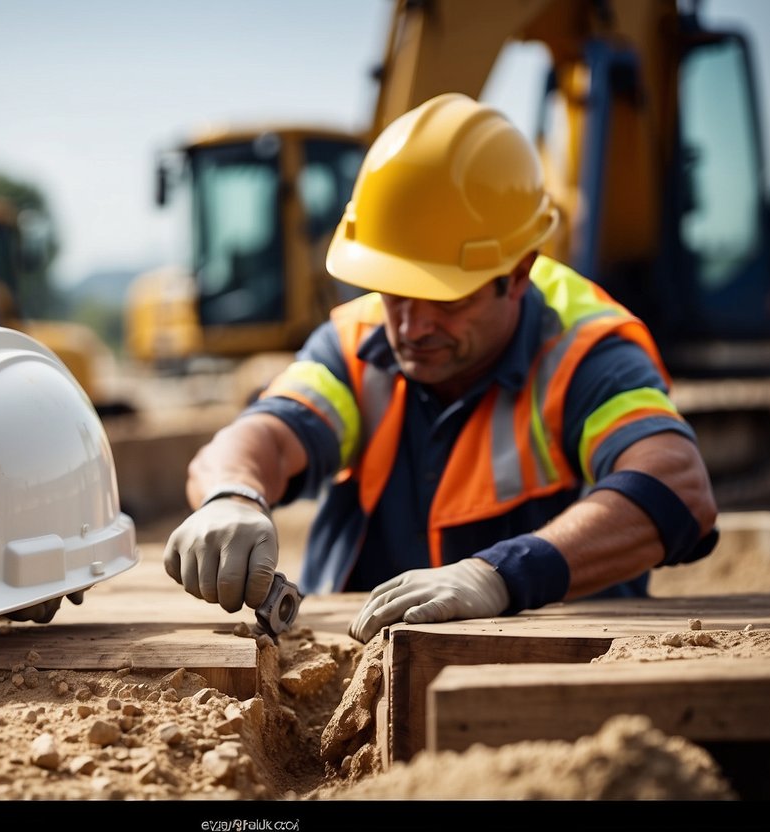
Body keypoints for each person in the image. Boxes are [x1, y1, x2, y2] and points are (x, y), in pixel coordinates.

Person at [162, 92, 719, 643]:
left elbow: (678, 486)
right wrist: (233, 495)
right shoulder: (358, 339)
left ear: (519, 273)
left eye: (446, 298)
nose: (411, 327)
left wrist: (501, 575)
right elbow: (265, 434)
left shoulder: (584, 351)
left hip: (563, 661)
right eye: (394, 291)